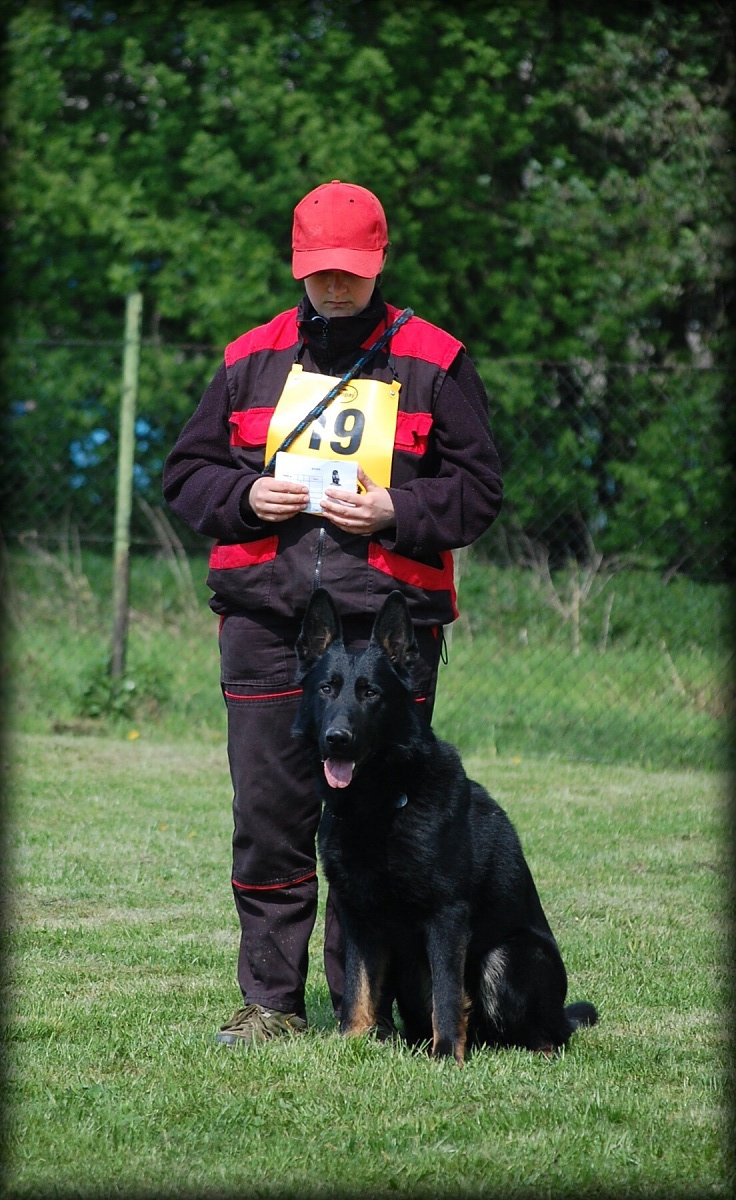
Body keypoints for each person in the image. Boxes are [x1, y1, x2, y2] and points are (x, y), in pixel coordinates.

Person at [163, 179, 503, 1045]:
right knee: (270, 821)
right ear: (296, 266)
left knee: (385, 826)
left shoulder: (434, 358)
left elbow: (480, 490)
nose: (336, 287)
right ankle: (270, 1006)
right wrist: (249, 497)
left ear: (379, 261)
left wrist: (399, 511)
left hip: (389, 630)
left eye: (351, 271)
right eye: (320, 272)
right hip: (269, 622)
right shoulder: (249, 356)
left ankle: (372, 1008)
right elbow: (185, 477)